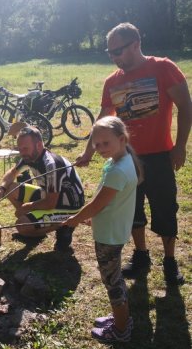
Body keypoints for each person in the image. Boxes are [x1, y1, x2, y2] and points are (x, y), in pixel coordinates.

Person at [77, 22, 191, 285]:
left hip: (160, 155)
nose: (115, 58)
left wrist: (180, 146)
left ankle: (170, 261)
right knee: (132, 209)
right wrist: (88, 151)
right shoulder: (112, 81)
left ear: (136, 43)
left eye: (119, 51)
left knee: (165, 208)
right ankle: (141, 256)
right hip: (126, 159)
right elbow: (104, 118)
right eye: (111, 53)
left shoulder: (163, 68)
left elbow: (186, 107)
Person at [65, 117, 141, 343]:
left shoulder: (118, 170)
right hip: (113, 228)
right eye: (96, 144)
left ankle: (120, 330)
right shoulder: (121, 161)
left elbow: (97, 204)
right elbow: (108, 204)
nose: (99, 149)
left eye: (105, 144)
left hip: (109, 236)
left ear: (121, 139)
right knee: (115, 276)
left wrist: (75, 219)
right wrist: (93, 218)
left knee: (112, 282)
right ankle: (122, 318)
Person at [0, 126, 85, 252]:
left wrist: (27, 207)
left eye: (25, 148)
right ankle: (35, 227)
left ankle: (65, 226)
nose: (22, 152)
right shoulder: (30, 157)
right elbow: (12, 173)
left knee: (21, 225)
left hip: (68, 205)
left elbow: (50, 203)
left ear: (39, 145)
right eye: (20, 148)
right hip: (50, 195)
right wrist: (1, 189)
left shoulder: (51, 165)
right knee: (9, 188)